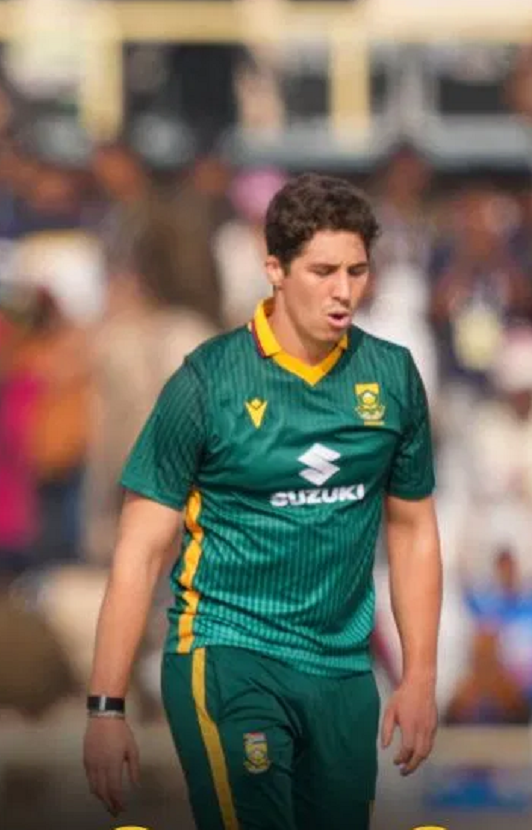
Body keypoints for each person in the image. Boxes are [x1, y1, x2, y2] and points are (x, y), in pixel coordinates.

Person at [82, 173, 444, 830]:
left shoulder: (392, 376)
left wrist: (420, 678)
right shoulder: (208, 380)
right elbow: (140, 550)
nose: (343, 292)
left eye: (357, 271)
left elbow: (414, 530)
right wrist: (106, 708)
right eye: (323, 271)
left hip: (342, 671)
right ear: (274, 268)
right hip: (227, 654)